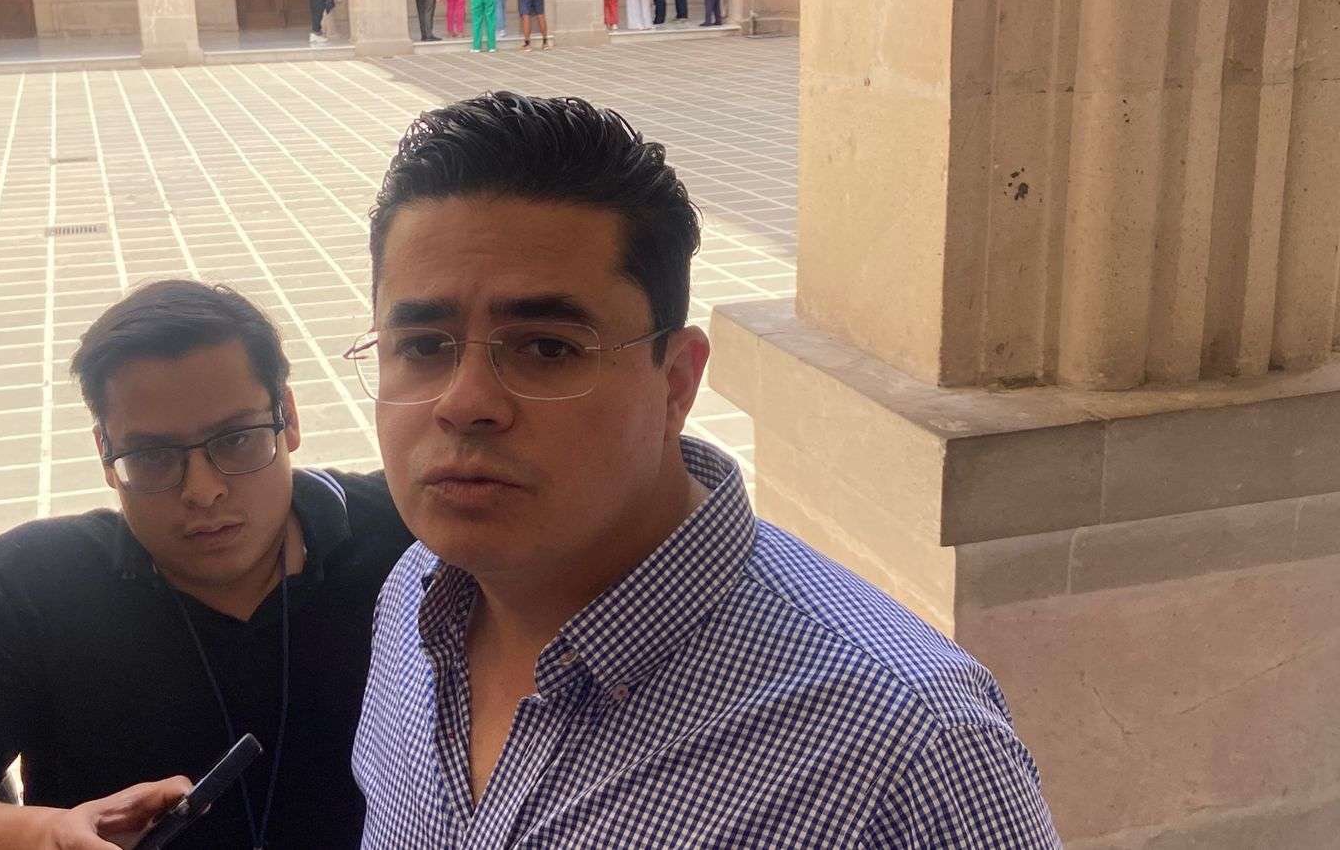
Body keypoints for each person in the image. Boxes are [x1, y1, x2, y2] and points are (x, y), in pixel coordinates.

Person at [348, 93, 1063, 847]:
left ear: (677, 382)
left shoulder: (908, 747)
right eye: (422, 346)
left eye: (548, 348)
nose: (465, 404)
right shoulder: (413, 599)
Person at [0, 281, 415, 850]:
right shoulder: (32, 584)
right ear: (106, 455)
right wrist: (47, 835)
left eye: (236, 439)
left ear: (288, 418)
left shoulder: (407, 538)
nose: (203, 490)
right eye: (153, 456)